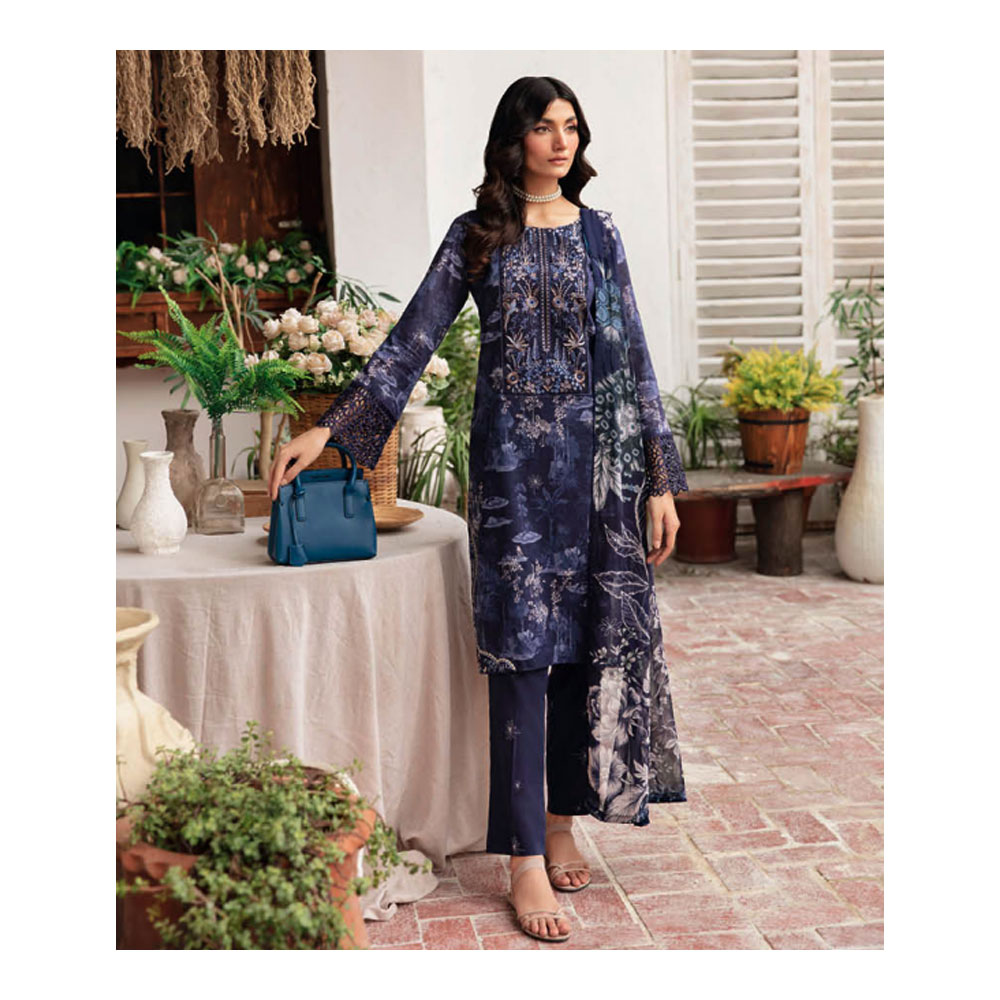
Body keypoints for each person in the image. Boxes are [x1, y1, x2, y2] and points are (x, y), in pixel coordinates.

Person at [268, 76, 689, 944]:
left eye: (572, 127)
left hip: (597, 476)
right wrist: (331, 431)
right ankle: (524, 856)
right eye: (545, 128)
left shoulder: (600, 235)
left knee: (581, 648)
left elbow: (632, 357)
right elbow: (412, 339)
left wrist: (659, 479)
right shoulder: (478, 235)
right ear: (514, 140)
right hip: (511, 476)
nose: (562, 142)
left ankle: (562, 821)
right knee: (522, 657)